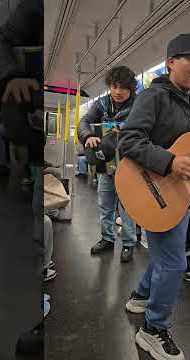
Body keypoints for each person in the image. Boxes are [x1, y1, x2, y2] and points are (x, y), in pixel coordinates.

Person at [120, 33, 190, 360]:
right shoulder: (154, 97)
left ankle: (140, 296)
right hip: (153, 190)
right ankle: (152, 329)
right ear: (170, 63)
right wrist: (170, 161)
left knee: (169, 256)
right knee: (175, 263)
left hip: (182, 196)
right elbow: (129, 141)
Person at [0, 0, 45, 355]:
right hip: (41, 135)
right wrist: (9, 75)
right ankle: (46, 315)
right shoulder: (37, 8)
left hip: (63, 127)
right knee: (43, 234)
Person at [78, 65, 138, 262]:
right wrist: (87, 136)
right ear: (110, 87)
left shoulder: (139, 106)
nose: (118, 92)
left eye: (123, 88)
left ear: (131, 89)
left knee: (127, 207)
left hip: (130, 165)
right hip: (107, 164)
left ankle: (128, 244)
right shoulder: (103, 104)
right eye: (114, 87)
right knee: (105, 204)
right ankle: (107, 239)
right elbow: (84, 122)